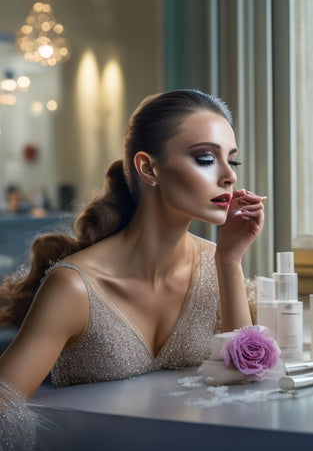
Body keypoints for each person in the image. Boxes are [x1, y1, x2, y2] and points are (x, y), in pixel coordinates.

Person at [0, 89, 264, 446]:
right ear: (147, 167)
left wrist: (230, 261)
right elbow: (4, 407)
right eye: (205, 158)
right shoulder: (75, 288)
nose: (229, 176)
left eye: (232, 161)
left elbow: (248, 387)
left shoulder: (219, 265)